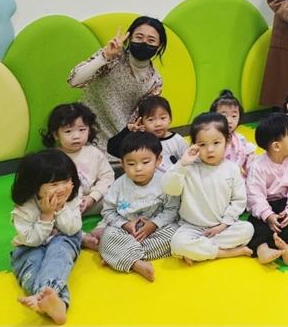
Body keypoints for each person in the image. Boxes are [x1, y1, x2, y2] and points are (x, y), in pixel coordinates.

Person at [68, 16, 166, 163]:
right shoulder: (112, 57)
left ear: (159, 46)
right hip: (85, 137)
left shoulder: (155, 81)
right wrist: (104, 57)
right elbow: (74, 81)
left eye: (151, 40)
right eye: (139, 37)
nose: (144, 43)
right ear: (129, 38)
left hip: (117, 147)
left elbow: (137, 120)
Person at [163, 113, 254, 264]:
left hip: (221, 227)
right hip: (191, 227)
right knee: (177, 244)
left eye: (216, 143)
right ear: (194, 145)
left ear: (227, 141)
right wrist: (182, 164)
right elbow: (170, 189)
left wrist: (223, 225)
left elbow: (238, 201)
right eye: (202, 144)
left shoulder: (232, 169)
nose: (210, 149)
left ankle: (199, 251)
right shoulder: (188, 168)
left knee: (247, 229)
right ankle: (225, 253)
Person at [10, 149, 82, 324]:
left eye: (66, 181)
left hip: (63, 239)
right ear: (35, 186)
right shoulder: (25, 208)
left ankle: (41, 296)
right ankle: (57, 304)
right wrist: (47, 215)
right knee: (32, 268)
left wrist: (61, 208)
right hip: (29, 247)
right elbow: (32, 241)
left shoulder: (70, 197)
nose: (62, 188)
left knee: (58, 257)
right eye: (54, 184)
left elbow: (72, 229)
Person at [99, 132, 179, 281]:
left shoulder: (165, 181)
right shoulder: (118, 185)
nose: (138, 168)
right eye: (131, 164)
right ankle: (133, 261)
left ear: (158, 160)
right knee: (108, 235)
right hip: (127, 232)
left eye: (145, 162)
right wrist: (125, 225)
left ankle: (120, 256)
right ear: (122, 164)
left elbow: (172, 209)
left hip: (156, 231)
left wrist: (153, 225)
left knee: (176, 233)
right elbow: (108, 211)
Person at [41, 103, 114, 250]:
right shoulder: (53, 157)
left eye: (82, 129)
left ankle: (102, 229)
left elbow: (107, 176)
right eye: (68, 131)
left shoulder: (93, 153)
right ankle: (81, 237)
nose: (76, 136)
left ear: (89, 130)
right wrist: (61, 203)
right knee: (45, 216)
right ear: (56, 134)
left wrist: (92, 197)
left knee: (118, 200)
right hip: (65, 205)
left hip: (91, 201)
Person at [246, 113, 288, 265]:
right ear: (276, 146)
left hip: (286, 204)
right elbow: (255, 195)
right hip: (265, 206)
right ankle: (262, 249)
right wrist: (267, 215)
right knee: (254, 225)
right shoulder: (258, 166)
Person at [107, 95, 188, 174]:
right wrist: (127, 131)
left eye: (163, 118)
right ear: (142, 122)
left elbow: (188, 164)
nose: (158, 124)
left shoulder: (178, 141)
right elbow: (112, 148)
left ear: (170, 118)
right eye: (151, 119)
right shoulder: (139, 141)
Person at [210, 89, 257, 178]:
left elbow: (251, 167)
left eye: (234, 116)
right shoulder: (208, 139)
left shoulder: (241, 140)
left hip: (237, 181)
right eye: (224, 116)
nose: (229, 121)